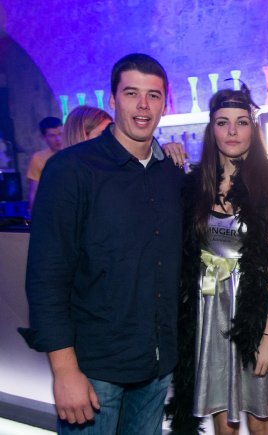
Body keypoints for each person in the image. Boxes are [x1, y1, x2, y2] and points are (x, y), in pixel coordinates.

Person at [20, 53, 184, 434]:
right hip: (95, 373)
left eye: (153, 96)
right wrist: (64, 371)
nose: (143, 106)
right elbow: (46, 276)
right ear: (112, 99)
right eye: (131, 93)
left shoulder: (170, 174)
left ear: (164, 104)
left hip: (156, 366)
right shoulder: (71, 169)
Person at [168, 87, 268, 435]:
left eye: (241, 122)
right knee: (222, 422)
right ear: (211, 129)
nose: (232, 131)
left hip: (253, 310)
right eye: (222, 122)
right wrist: (163, 150)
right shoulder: (195, 185)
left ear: (252, 130)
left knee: (259, 421)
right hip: (208, 311)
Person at [26, 116, 63, 212]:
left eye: (60, 134)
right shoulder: (38, 158)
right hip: (52, 208)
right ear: (43, 137)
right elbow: (34, 191)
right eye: (52, 136)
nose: (58, 139)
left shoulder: (75, 152)